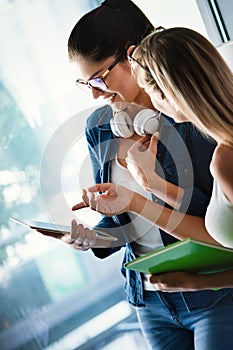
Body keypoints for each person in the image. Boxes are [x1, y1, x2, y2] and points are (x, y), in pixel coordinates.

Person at [63, 2, 233, 349]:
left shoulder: (192, 117)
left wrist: (151, 188)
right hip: (151, 298)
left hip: (211, 291)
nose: (94, 93)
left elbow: (218, 220)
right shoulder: (99, 127)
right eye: (85, 83)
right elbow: (121, 217)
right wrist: (92, 239)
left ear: (131, 56)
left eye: (99, 78)